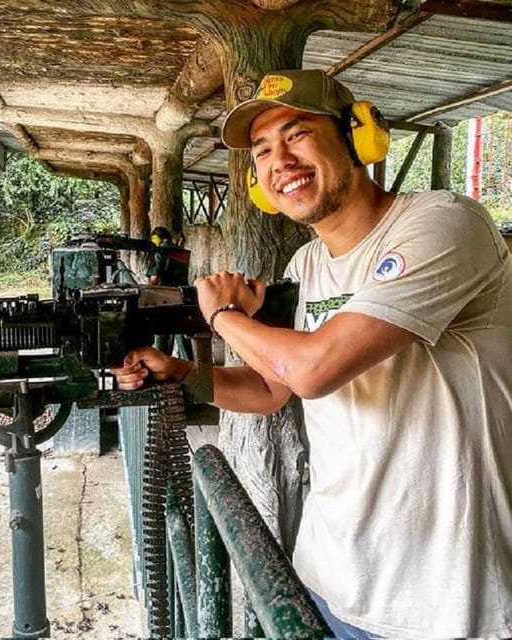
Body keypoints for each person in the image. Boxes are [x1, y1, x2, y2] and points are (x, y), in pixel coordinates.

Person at [113, 69, 512, 639]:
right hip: (333, 581)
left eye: (298, 135)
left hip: (448, 600)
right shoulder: (305, 267)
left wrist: (222, 316)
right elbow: (274, 388)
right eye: (264, 151)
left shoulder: (443, 224)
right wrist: (180, 374)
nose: (281, 161)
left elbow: (313, 369)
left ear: (358, 137)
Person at [146, 226, 193, 359]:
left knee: (162, 336)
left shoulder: (160, 251)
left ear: (157, 238)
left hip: (164, 297)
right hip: (182, 295)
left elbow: (155, 278)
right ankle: (190, 369)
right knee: (182, 336)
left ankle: (163, 368)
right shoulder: (182, 252)